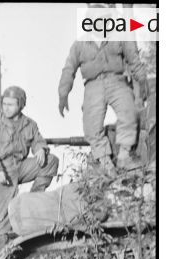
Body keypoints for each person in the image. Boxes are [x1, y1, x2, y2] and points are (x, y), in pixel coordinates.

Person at [58, 4, 149, 177]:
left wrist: (142, 80)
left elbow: (134, 59)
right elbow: (68, 69)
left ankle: (124, 155)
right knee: (91, 125)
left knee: (129, 112)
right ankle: (105, 161)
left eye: (106, 20)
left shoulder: (119, 36)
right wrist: (63, 94)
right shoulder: (80, 44)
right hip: (93, 84)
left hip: (116, 80)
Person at [0, 86, 59, 252]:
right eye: (4, 104)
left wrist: (40, 149)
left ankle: (32, 198)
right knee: (0, 222)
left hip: (21, 167)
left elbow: (38, 139)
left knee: (50, 161)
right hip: (2, 171)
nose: (6, 108)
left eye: (11, 104)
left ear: (21, 105)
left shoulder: (29, 124)